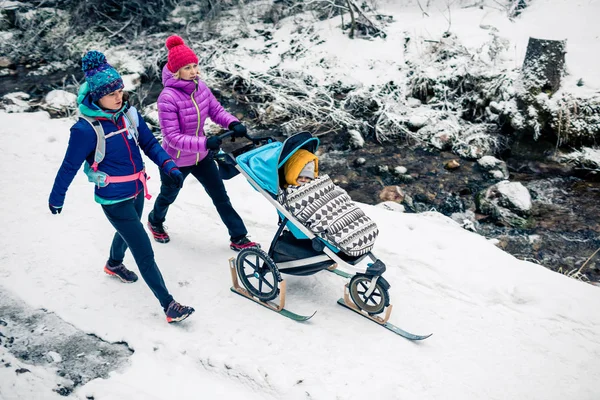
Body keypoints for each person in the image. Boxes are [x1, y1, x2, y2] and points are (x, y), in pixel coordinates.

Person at [48, 50, 195, 324]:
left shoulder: (129, 115)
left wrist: (169, 166)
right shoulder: (85, 130)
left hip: (137, 188)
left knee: (130, 229)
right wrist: (57, 197)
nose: (119, 96)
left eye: (120, 90)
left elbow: (150, 144)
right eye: (111, 93)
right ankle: (169, 305)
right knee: (143, 248)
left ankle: (113, 264)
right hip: (113, 197)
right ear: (96, 96)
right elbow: (68, 166)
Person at [147, 35, 259, 252]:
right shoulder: (167, 98)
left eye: (195, 66)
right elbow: (172, 136)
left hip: (201, 156)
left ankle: (239, 237)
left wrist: (233, 123)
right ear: (176, 71)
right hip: (175, 160)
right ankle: (155, 221)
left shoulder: (200, 87)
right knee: (168, 195)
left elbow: (216, 111)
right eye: (188, 68)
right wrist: (205, 142)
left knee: (220, 196)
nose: (194, 71)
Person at [279, 148, 379, 257]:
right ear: (291, 175)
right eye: (299, 177)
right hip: (314, 211)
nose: (303, 180)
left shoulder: (319, 183)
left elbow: (338, 198)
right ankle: (333, 250)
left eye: (307, 177)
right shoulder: (290, 194)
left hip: (332, 207)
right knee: (333, 229)